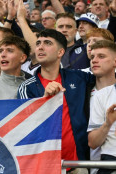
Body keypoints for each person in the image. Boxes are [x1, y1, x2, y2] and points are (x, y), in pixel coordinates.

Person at [17, 29, 95, 170]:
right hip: (44, 166)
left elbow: (106, 75)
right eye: (38, 43)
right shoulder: (26, 88)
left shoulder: (79, 78)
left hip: (78, 164)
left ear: (60, 52)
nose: (40, 47)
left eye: (47, 43)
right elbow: (25, 129)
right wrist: (44, 101)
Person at [87, 40, 116, 174]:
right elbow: (92, 142)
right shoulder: (82, 89)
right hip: (99, 166)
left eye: (101, 56)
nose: (94, 60)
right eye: (92, 57)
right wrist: (108, 123)